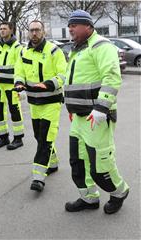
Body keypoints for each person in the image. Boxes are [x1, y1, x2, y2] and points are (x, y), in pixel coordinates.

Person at [63, 10, 129, 214]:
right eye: (69, 25)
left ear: (88, 26)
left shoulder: (101, 45)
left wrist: (102, 107)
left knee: (101, 168)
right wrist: (71, 106)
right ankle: (89, 198)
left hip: (96, 117)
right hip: (79, 118)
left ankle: (120, 191)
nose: (70, 28)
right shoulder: (77, 49)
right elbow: (74, 81)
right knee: (78, 163)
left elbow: (111, 76)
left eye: (74, 25)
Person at [14, 20, 67, 192]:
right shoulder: (24, 52)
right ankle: (52, 163)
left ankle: (38, 177)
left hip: (51, 102)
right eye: (31, 30)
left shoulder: (54, 50)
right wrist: (19, 83)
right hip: (34, 103)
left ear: (44, 31)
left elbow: (63, 74)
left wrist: (49, 84)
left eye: (37, 30)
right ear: (28, 33)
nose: (34, 33)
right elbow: (19, 71)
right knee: (39, 136)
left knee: (45, 139)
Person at [0, 21, 25, 150]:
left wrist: (20, 86)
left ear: (11, 30)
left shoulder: (17, 47)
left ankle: (18, 138)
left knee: (14, 110)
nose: (2, 31)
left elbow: (21, 68)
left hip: (12, 86)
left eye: (4, 29)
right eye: (0, 29)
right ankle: (3, 137)